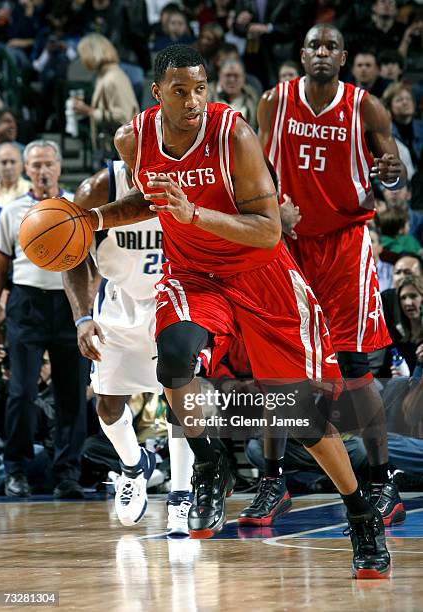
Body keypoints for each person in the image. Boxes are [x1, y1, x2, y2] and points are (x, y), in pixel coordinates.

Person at [79, 45, 390, 579]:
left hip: (261, 279)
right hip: (193, 277)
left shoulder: (235, 135)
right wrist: (95, 219)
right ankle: (208, 465)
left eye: (200, 88)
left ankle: (362, 514)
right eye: (181, 90)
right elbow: (148, 201)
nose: (195, 99)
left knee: (304, 420)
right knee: (173, 359)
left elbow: (269, 231)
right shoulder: (134, 138)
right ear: (157, 94)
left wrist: (192, 212)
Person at [258, 24, 407, 529]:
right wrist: (275, 210)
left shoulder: (367, 107)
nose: (322, 52)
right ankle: (272, 480)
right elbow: (255, 171)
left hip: (345, 244)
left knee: (352, 361)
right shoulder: (273, 103)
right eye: (314, 45)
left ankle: (383, 481)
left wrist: (389, 171)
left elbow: (395, 177)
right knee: (281, 364)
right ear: (301, 54)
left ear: (343, 57)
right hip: (291, 244)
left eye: (331, 47)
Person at [63, 161, 195, 534]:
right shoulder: (97, 190)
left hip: (174, 300)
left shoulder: (189, 179)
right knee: (107, 404)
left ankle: (181, 494)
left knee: (180, 396)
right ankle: (134, 466)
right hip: (118, 305)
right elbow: (69, 257)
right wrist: (81, 317)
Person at [0, 139, 88, 499]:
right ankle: (16, 470)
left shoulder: (77, 207)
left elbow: (90, 266)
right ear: (25, 169)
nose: (42, 171)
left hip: (69, 306)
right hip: (26, 305)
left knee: (72, 395)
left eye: (48, 164)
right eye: (35, 165)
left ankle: (67, 473)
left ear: (60, 167)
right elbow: (1, 267)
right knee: (20, 391)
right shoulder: (11, 211)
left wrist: (87, 313)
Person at [71, 33, 139, 159]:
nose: (81, 59)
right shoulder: (106, 76)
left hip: (120, 154)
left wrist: (90, 111)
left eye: (82, 54)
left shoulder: (112, 78)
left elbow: (124, 117)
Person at [0, 142, 30, 207]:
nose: (9, 167)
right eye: (4, 162)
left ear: (22, 165)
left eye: (13, 162)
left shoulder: (31, 190)